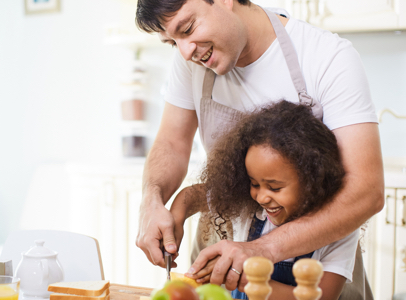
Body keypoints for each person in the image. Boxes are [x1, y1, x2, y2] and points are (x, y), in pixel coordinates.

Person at [134, 0, 384, 298]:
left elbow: (366, 191)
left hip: (314, 256)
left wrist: (258, 252)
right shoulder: (190, 60)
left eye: (187, 28)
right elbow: (172, 143)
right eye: (172, 42)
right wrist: (152, 200)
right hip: (223, 250)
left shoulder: (327, 57)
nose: (186, 51)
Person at [170, 100, 356, 299]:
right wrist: (175, 218)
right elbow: (191, 195)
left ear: (313, 181)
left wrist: (249, 276)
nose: (261, 197)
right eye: (254, 184)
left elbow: (324, 297)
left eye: (274, 187)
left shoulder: (337, 234)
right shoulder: (250, 209)